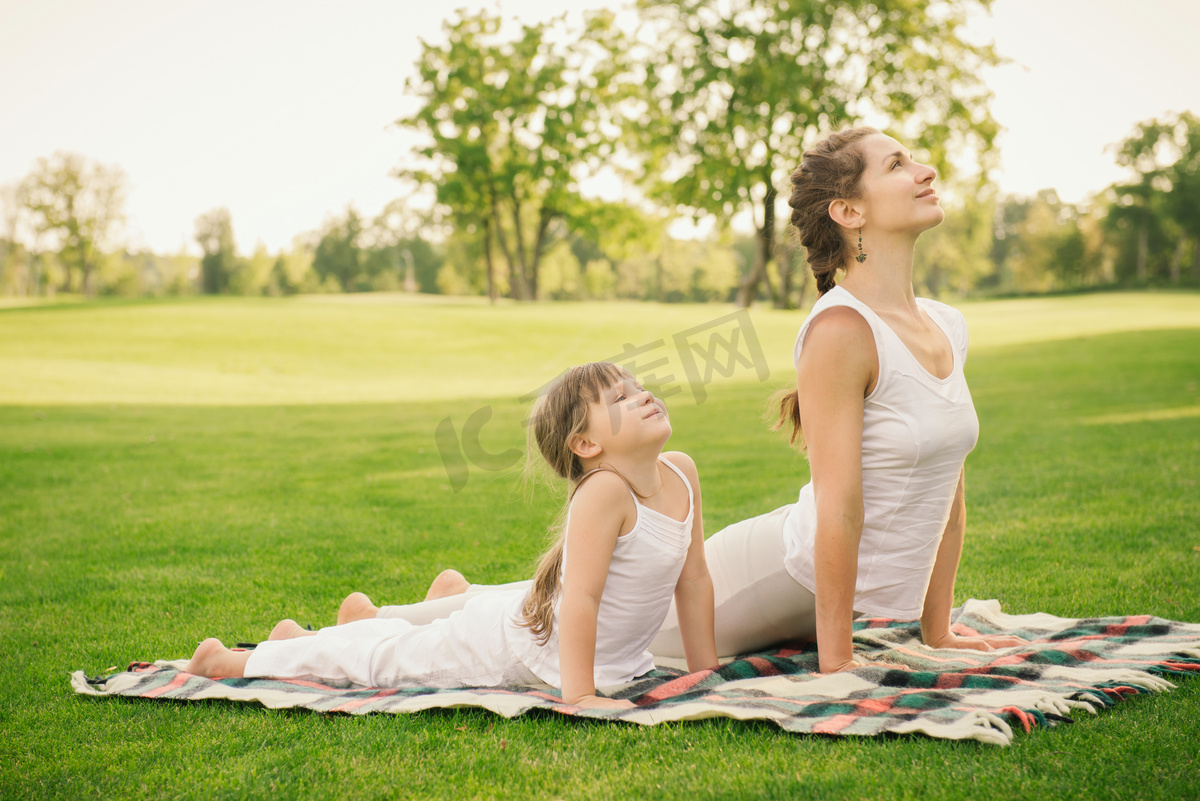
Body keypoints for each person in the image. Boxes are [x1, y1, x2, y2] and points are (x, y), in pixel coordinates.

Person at [339, 127, 1026, 672]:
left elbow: (948, 493)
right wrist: (837, 657)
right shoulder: (843, 330)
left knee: (599, 599)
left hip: (827, 578)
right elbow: (839, 507)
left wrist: (937, 628)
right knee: (609, 618)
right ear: (849, 212)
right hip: (783, 574)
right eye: (898, 164)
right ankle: (385, 622)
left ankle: (455, 596)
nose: (924, 170)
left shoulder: (946, 324)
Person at [184, 362, 718, 709]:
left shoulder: (680, 473)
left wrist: (705, 674)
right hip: (516, 652)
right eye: (620, 398)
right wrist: (579, 695)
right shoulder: (605, 492)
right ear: (585, 444)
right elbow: (580, 599)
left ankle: (302, 639)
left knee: (399, 646)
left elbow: (693, 582)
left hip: (616, 664)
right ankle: (233, 662)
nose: (644, 396)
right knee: (386, 663)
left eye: (639, 388)